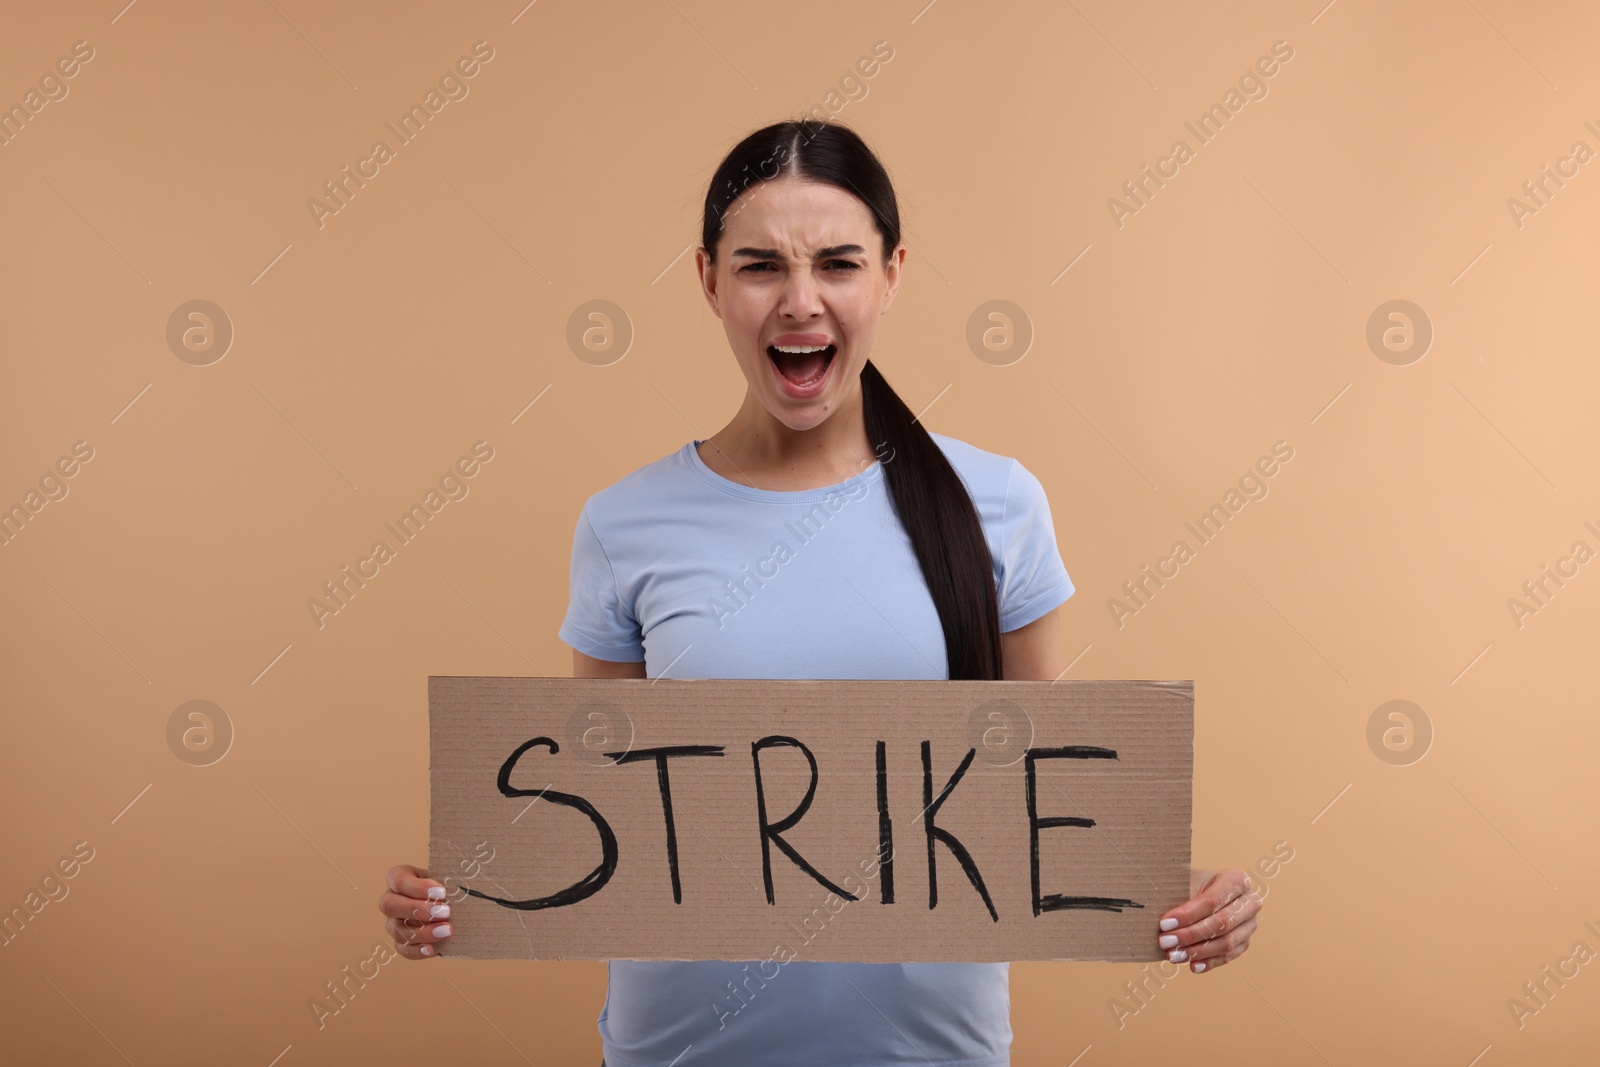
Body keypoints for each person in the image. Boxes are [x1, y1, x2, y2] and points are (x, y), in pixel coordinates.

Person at [380, 119, 1263, 1065]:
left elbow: (1038, 806)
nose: (800, 302)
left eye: (838, 263)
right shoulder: (622, 523)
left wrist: (1190, 893)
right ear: (709, 280)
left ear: (890, 274)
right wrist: (463, 888)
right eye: (761, 265)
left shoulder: (997, 504)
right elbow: (600, 815)